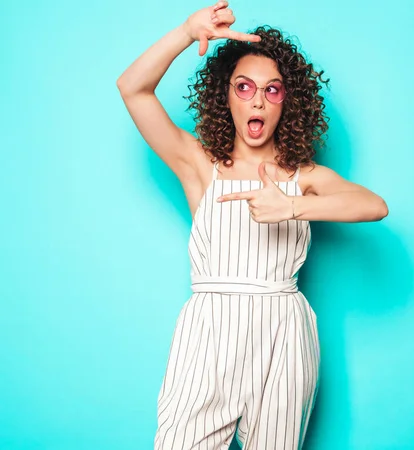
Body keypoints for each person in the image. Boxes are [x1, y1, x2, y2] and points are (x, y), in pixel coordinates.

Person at [117, 1, 388, 448]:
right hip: (208, 333)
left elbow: (373, 205)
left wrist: (291, 207)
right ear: (225, 95)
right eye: (244, 87)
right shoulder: (200, 165)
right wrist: (187, 32)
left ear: (289, 102)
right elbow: (133, 89)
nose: (258, 100)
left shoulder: (307, 177)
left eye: (273, 90)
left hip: (283, 334)